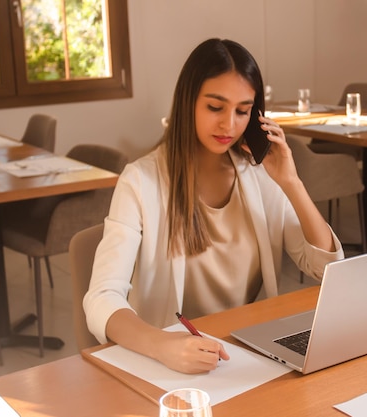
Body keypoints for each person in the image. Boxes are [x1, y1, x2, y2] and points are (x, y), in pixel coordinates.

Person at [83, 38, 344, 374]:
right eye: (215, 107)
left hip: (245, 353)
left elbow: (324, 268)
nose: (229, 125)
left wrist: (291, 183)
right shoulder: (140, 181)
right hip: (169, 359)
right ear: (188, 102)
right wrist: (162, 345)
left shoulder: (260, 174)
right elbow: (102, 297)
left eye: (243, 110)